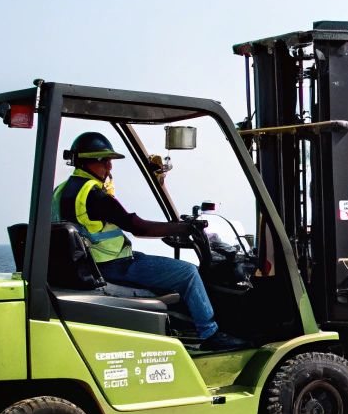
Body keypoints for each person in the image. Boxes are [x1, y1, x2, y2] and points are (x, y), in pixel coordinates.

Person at [52, 131, 249, 351]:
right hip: (113, 266)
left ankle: (183, 327)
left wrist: (173, 228)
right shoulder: (94, 195)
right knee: (188, 273)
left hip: (92, 263)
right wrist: (184, 228)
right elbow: (138, 226)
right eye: (104, 161)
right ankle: (210, 333)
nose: (109, 167)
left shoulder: (62, 192)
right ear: (88, 162)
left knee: (166, 269)